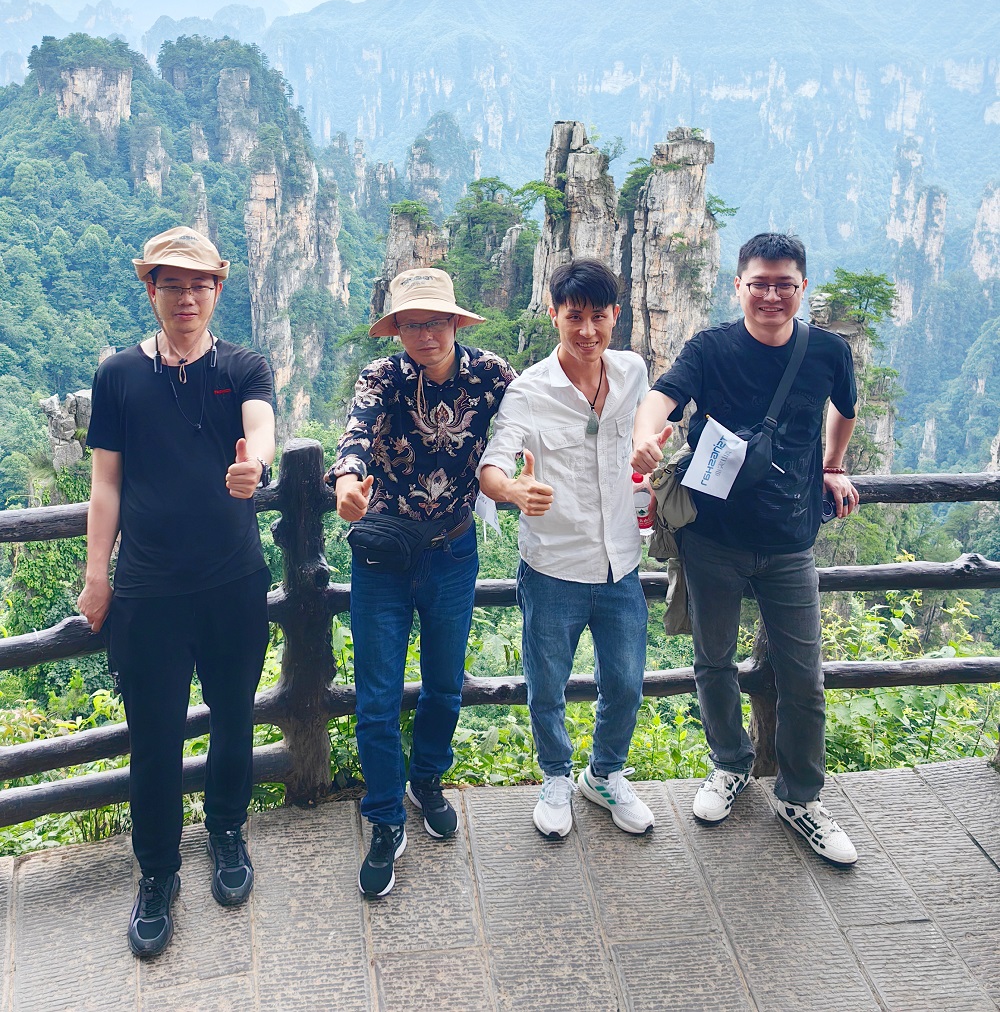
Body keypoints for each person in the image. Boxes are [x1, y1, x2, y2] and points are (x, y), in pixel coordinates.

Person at [632, 232, 860, 865]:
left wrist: (833, 464)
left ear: (802, 288)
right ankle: (730, 764)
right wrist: (647, 436)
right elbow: (662, 398)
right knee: (714, 661)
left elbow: (845, 407)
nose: (771, 296)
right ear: (738, 286)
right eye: (759, 283)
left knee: (804, 676)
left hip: (790, 542)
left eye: (784, 284)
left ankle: (801, 797)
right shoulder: (711, 349)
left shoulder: (828, 351)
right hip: (714, 538)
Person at [78, 226, 275, 957]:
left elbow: (261, 428)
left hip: (232, 581)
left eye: (200, 284)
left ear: (217, 290)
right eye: (172, 284)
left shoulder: (244, 366)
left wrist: (255, 466)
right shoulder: (118, 375)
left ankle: (227, 832)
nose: (186, 297)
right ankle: (157, 871)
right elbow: (106, 483)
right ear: (151, 289)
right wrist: (97, 575)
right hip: (148, 590)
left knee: (233, 717)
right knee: (154, 737)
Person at [329, 268, 515, 898]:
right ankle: (384, 816)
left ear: (456, 322)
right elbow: (356, 434)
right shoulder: (381, 377)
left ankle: (427, 780)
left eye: (435, 321)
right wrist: (347, 481)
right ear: (397, 330)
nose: (425, 334)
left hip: (453, 551)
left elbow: (533, 417)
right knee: (377, 697)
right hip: (383, 555)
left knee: (443, 684)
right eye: (411, 324)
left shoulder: (490, 374)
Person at [479, 258, 654, 839]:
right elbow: (493, 464)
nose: (587, 330)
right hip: (553, 565)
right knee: (547, 685)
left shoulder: (632, 372)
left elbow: (644, 436)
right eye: (574, 316)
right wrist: (512, 489)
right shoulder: (529, 391)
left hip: (621, 562)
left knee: (625, 683)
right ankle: (555, 776)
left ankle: (603, 774)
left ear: (616, 317)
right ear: (553, 314)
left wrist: (649, 462)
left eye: (598, 317)